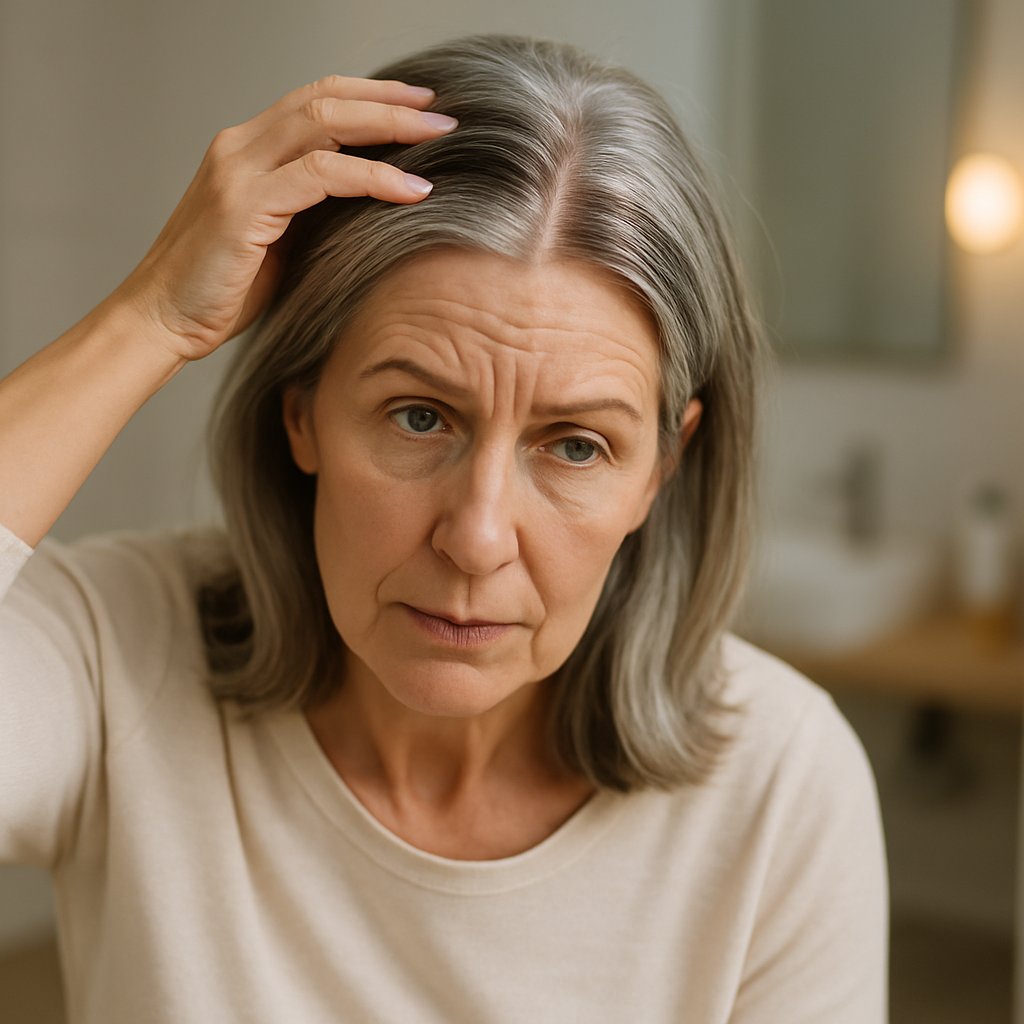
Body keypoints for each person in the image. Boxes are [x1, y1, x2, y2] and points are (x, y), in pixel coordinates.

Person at [0, 33, 888, 1023]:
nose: (476, 538)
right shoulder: (115, 651)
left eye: (576, 445)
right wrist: (150, 316)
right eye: (420, 416)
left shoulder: (781, 784)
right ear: (303, 414)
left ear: (662, 467)